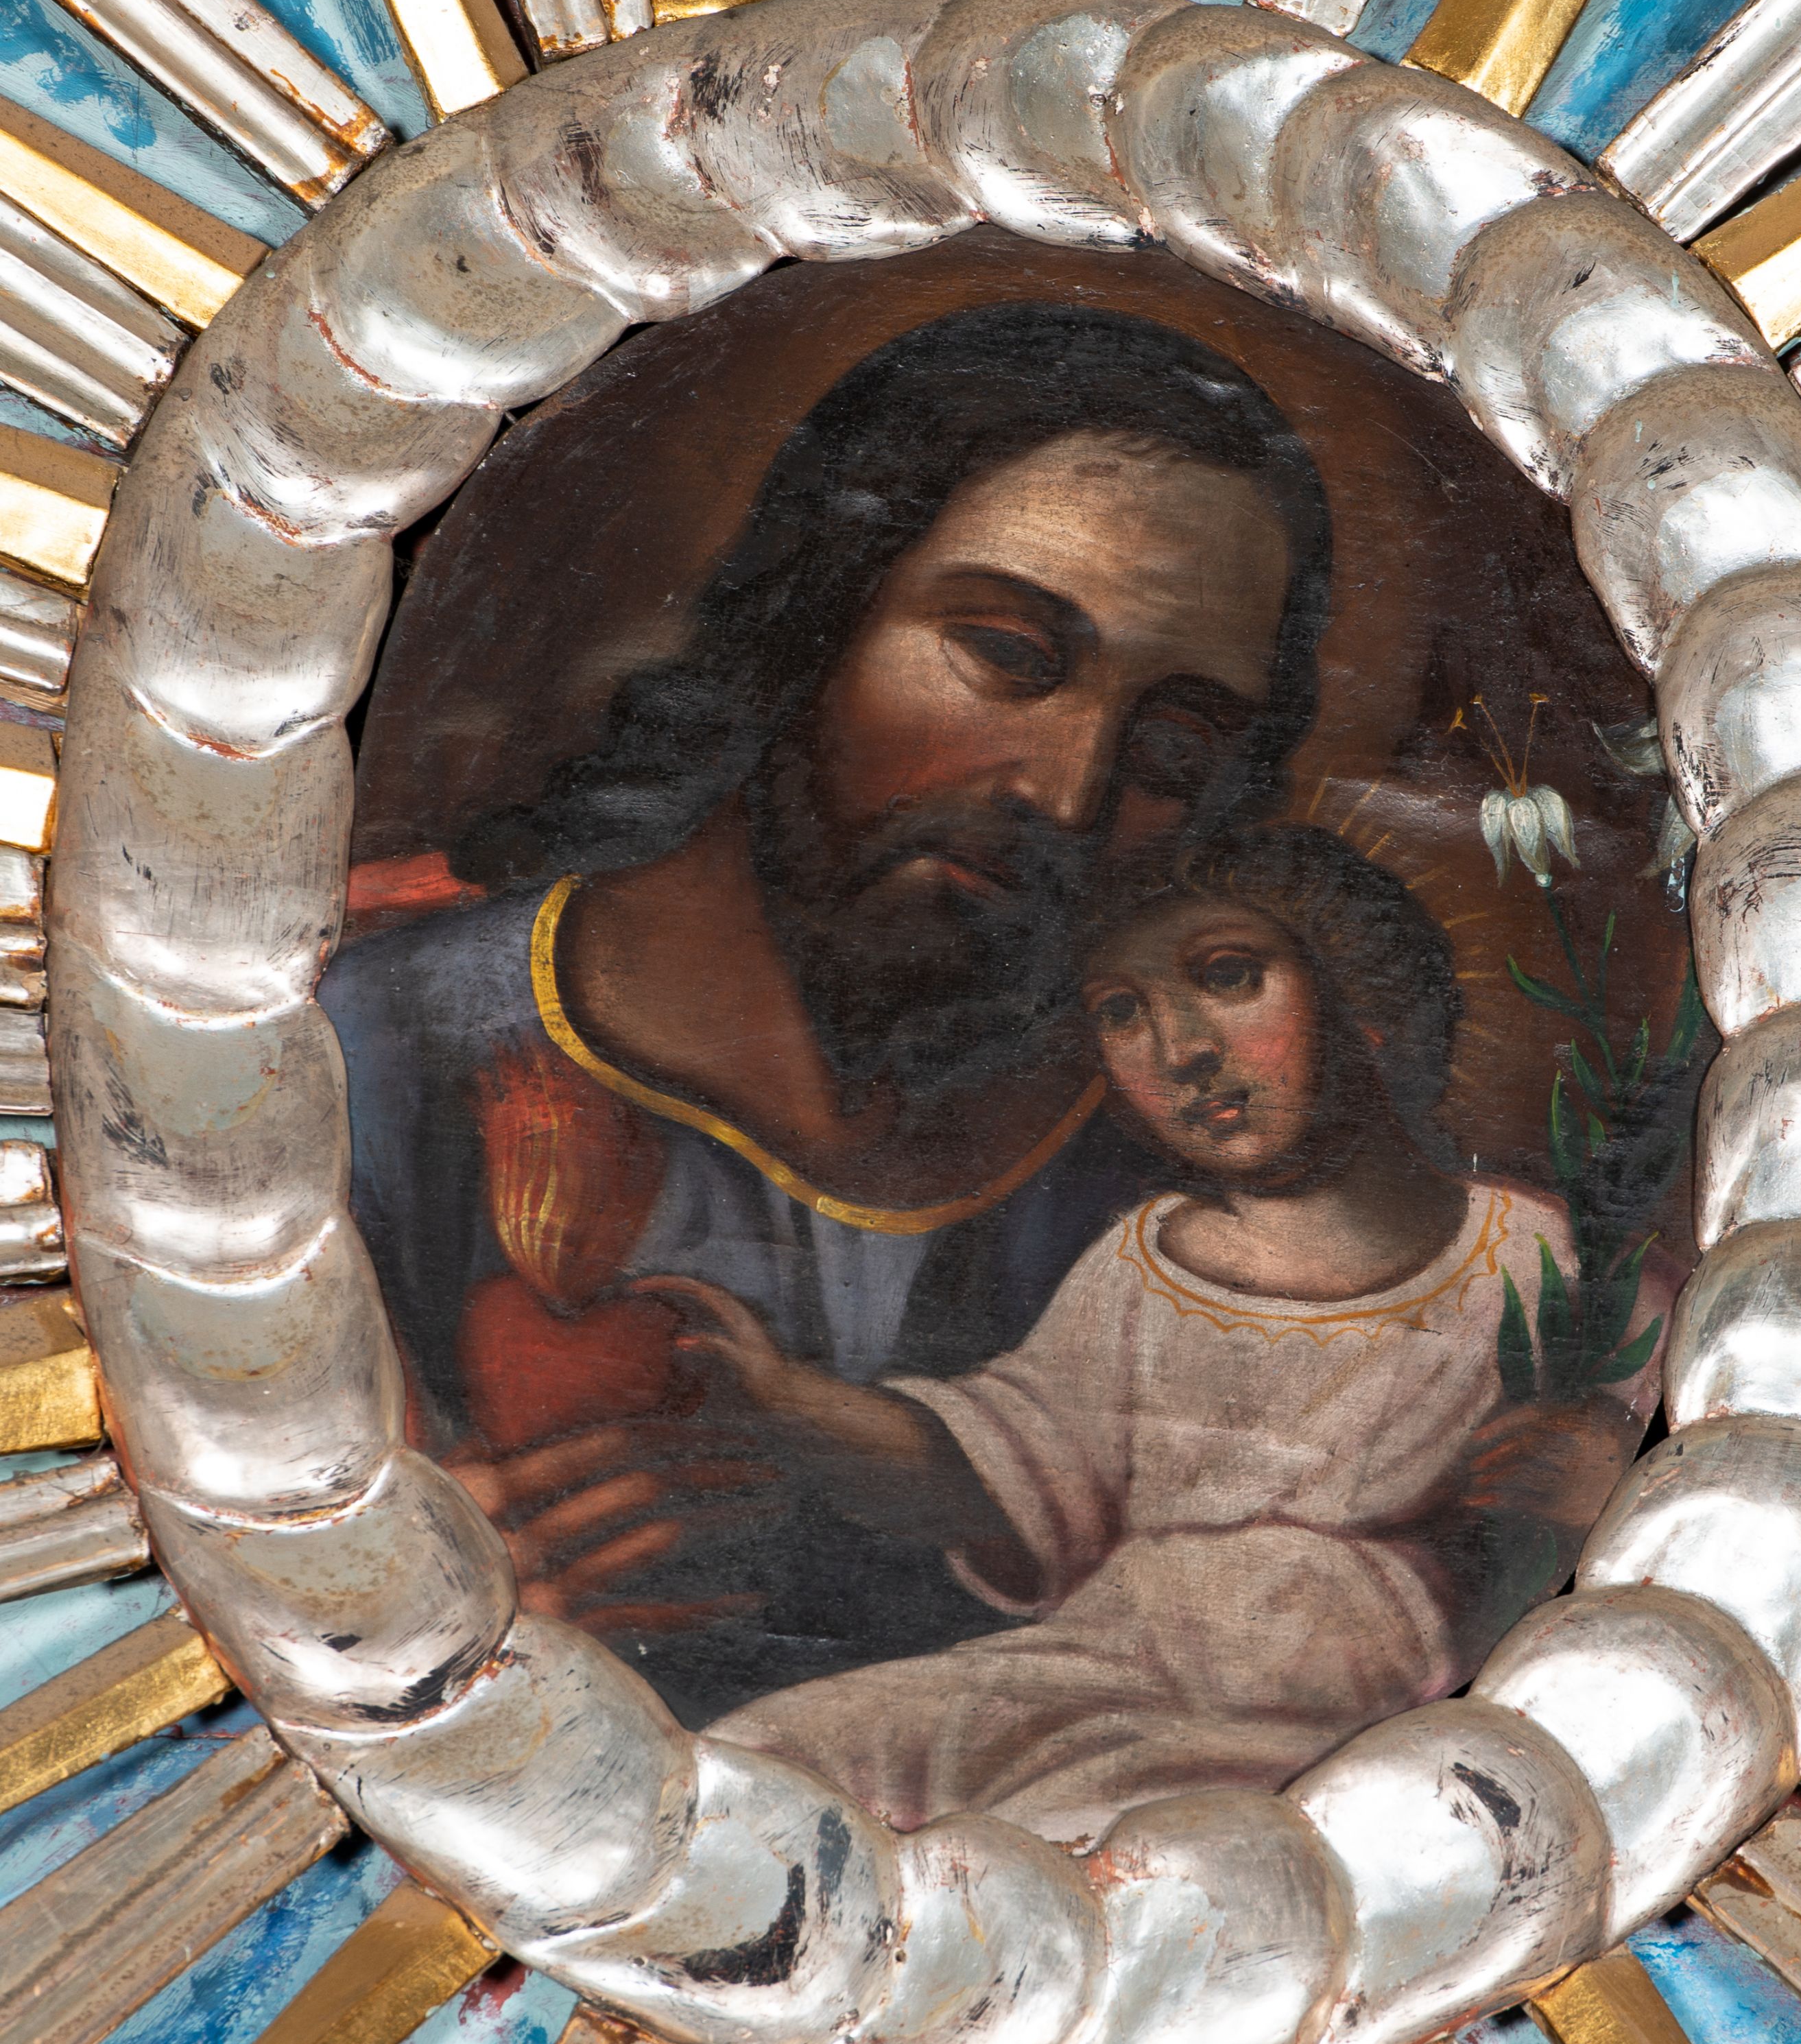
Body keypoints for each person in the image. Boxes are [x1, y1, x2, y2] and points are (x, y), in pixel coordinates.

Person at [318, 303, 1333, 1718]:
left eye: (1173, 746)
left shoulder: (1175, 1170)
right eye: (1007, 653)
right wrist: (400, 1602)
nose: (1067, 791)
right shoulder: (378, 1058)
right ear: (814, 620)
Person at [654, 828, 1670, 1845]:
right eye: (1122, 1012)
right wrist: (784, 1399)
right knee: (756, 1762)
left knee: (1063, 1843)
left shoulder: (1541, 1262)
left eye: (1228, 977)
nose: (1181, 1051)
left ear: (1362, 996)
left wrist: (1608, 1483)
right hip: (1093, 1670)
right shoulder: (1146, 1265)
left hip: (1329, 1729)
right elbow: (998, 1466)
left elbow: (1679, 1483)